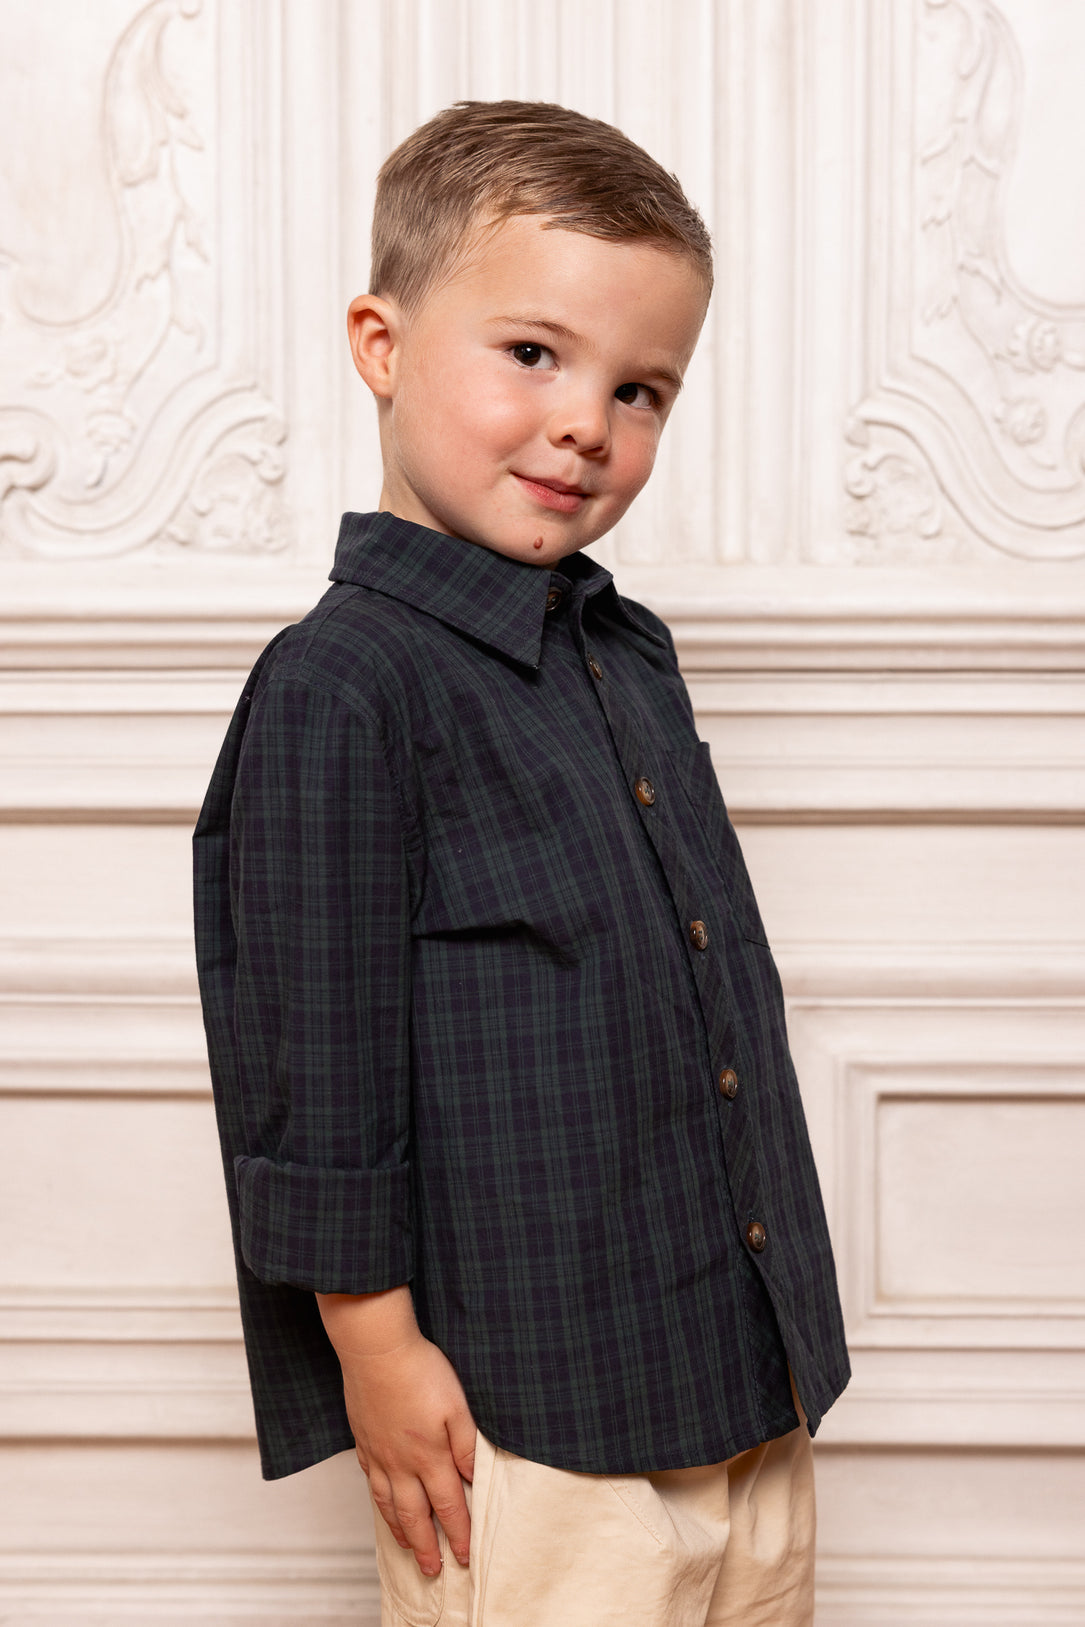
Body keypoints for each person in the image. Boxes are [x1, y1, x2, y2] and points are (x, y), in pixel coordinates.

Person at [194, 99, 850, 1627]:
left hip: (729, 1368)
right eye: (533, 356)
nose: (585, 425)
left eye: (641, 391)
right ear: (380, 342)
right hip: (529, 1417)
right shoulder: (344, 686)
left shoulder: (625, 655)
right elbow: (314, 1068)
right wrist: (375, 1350)